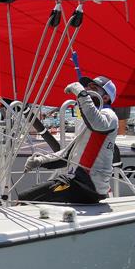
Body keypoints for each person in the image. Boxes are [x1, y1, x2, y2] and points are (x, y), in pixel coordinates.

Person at [18, 76, 119, 205]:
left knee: (26, 200)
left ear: (105, 98)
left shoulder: (109, 115)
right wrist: (41, 161)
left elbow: (97, 124)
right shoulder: (88, 121)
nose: (87, 89)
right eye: (86, 87)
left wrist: (82, 94)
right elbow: (67, 155)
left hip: (86, 185)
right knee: (25, 197)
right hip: (76, 182)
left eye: (93, 88)